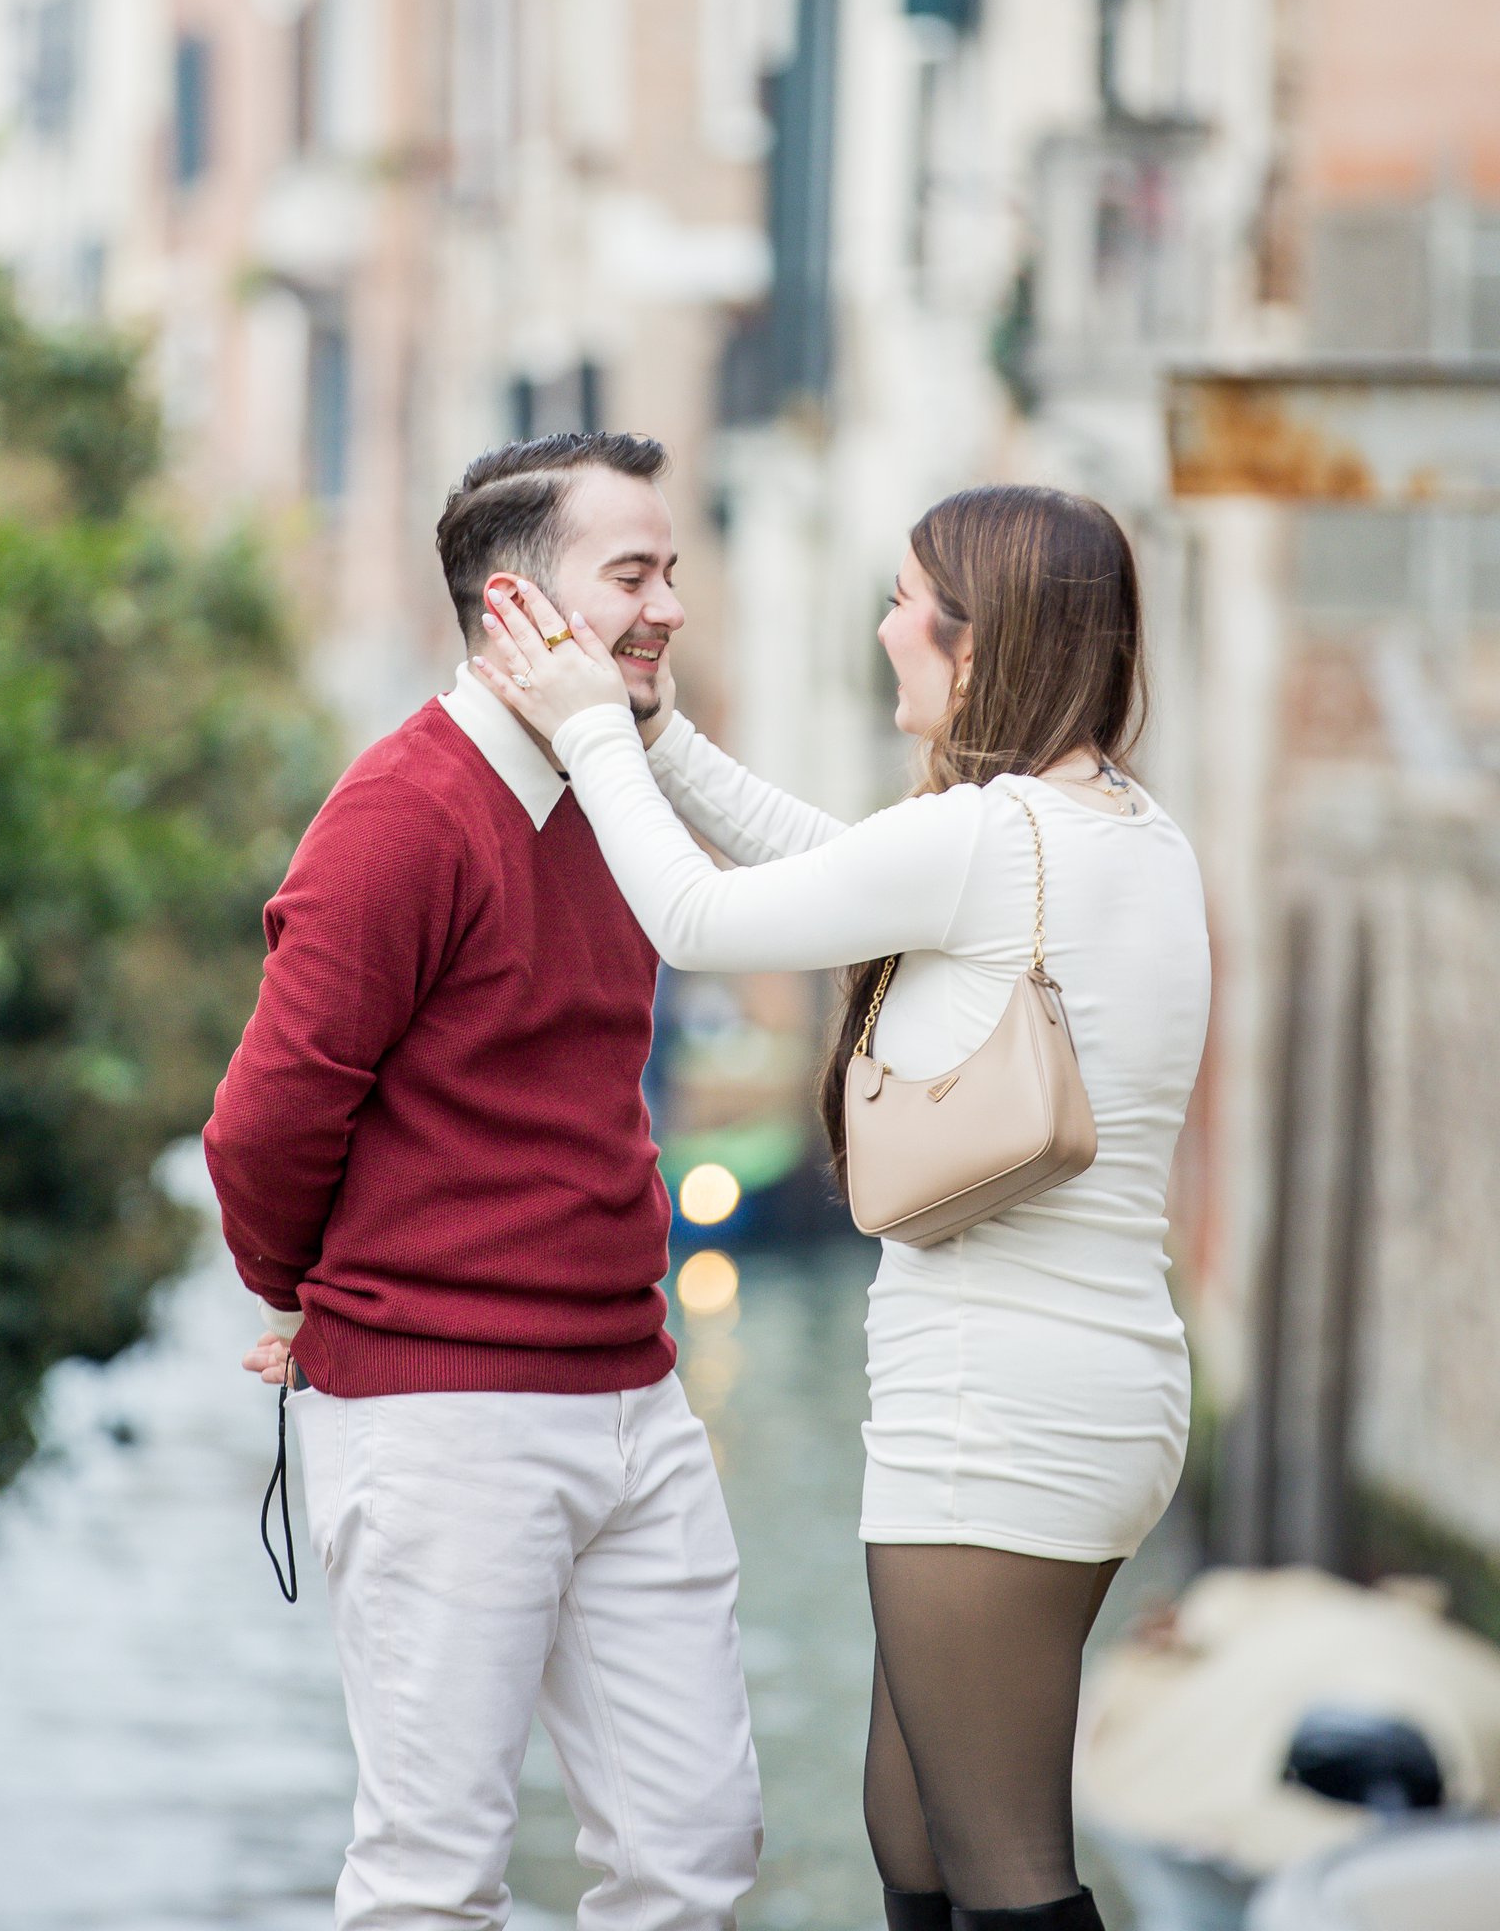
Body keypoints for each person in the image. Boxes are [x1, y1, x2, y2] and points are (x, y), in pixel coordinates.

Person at [475, 482, 1211, 1931]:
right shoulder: (1126, 833)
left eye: (903, 599)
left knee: (1006, 1877)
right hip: (1100, 1395)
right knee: (915, 1838)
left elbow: (699, 921)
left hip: (994, 1417)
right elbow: (836, 868)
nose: (881, 628)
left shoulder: (989, 840)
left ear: (980, 647)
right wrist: (659, 739)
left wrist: (578, 734)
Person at [204, 430, 763, 1931]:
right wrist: (294, 1295)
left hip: (633, 1392)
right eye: (633, 574)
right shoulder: (402, 815)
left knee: (694, 1849)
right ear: (517, 607)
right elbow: (263, 1121)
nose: (669, 608)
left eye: (673, 571)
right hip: (445, 1418)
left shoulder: (615, 796)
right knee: (433, 1880)